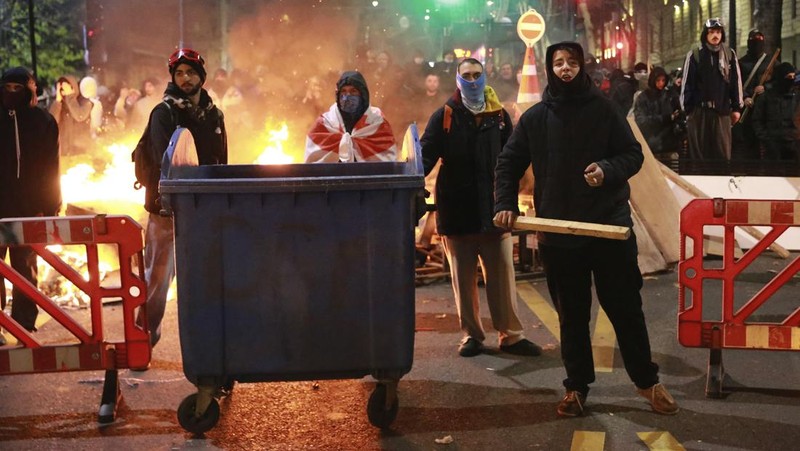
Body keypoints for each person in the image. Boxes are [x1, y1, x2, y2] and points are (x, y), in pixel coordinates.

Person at [493, 42, 679, 417]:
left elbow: (633, 155)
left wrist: (606, 170)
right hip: (560, 237)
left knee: (626, 310)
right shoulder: (535, 118)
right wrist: (504, 205)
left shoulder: (605, 111)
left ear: (582, 67)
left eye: (572, 62)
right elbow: (508, 163)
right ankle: (576, 388)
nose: (565, 69)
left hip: (608, 229)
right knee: (572, 317)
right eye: (558, 63)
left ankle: (647, 382)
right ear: (550, 68)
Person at [420, 57, 542, 358]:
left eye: (477, 74)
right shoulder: (445, 115)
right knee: (463, 278)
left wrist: (511, 201)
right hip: (457, 210)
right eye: (467, 75)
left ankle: (511, 335)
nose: (472, 80)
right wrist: (408, 186)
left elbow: (512, 161)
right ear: (457, 80)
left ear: (484, 77)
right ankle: (472, 335)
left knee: (501, 276)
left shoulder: (499, 116)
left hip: (494, 210)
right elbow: (423, 159)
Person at [139, 48, 228, 349]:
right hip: (168, 212)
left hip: (204, 210)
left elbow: (221, 161)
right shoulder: (163, 113)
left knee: (204, 280)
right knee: (157, 281)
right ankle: (144, 338)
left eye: (191, 72)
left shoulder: (215, 114)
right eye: (179, 73)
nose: (185, 78)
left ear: (201, 76)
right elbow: (166, 163)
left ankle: (208, 348)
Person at [0, 67, 61, 339]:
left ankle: (24, 324)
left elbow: (51, 169)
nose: (12, 93)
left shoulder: (43, 121)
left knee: (25, 266)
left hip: (28, 208)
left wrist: (50, 207)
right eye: (8, 87)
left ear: (31, 90)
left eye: (19, 88)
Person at [680, 17, 744, 161]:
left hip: (722, 113)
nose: (715, 35)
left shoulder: (730, 55)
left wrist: (736, 108)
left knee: (722, 156)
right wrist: (688, 110)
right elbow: (687, 84)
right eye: (712, 32)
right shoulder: (695, 55)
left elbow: (735, 83)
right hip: (699, 113)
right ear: (705, 34)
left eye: (718, 32)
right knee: (699, 157)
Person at [305, 71, 396, 163]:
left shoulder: (377, 122)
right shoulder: (325, 124)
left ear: (363, 95)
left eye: (353, 91)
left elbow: (388, 166)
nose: (347, 96)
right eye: (344, 91)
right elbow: (312, 167)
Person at [751, 62, 799, 161]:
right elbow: (757, 120)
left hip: (794, 144)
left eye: (793, 76)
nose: (792, 79)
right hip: (773, 145)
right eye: (788, 76)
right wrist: (766, 139)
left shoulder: (797, 97)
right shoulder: (766, 97)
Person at [733, 29, 769, 160]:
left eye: (759, 40)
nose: (757, 44)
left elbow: (776, 81)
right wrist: (745, 97)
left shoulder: (769, 62)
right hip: (748, 110)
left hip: (765, 110)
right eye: (754, 40)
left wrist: (766, 87)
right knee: (748, 144)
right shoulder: (741, 63)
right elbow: (736, 84)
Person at [633, 66, 681, 162]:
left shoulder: (670, 96)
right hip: (652, 145)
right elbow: (641, 121)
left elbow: (679, 114)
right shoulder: (644, 98)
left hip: (669, 145)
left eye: (663, 80)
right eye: (658, 80)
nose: (661, 83)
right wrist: (666, 118)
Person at [49, 75, 93, 156]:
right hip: (64, 153)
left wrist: (70, 96)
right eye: (61, 89)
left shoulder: (85, 102)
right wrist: (57, 101)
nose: (63, 91)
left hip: (81, 152)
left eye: (66, 88)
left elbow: (79, 115)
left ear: (73, 87)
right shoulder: (58, 105)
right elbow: (51, 124)